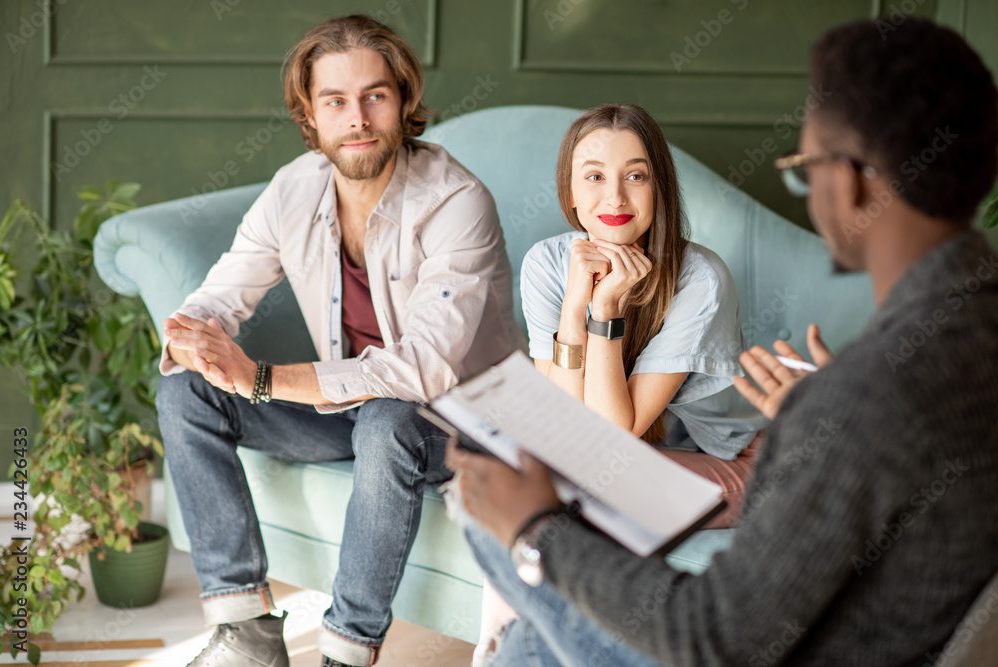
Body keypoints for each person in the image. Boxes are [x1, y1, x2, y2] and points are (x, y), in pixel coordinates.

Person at [448, 16, 998, 666]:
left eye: (804, 170)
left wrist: (538, 530)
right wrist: (812, 420)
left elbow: (713, 639)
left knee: (488, 514)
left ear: (846, 182)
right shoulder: (967, 334)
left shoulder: (866, 390)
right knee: (529, 643)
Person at [155, 14, 520, 667]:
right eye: (336, 101)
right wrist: (191, 333)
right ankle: (246, 632)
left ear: (403, 101)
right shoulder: (293, 190)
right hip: (352, 408)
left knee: (386, 419)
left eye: (375, 95)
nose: (358, 117)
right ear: (310, 116)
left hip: (463, 421)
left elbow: (422, 367)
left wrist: (263, 379)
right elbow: (221, 294)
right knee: (184, 389)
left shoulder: (456, 200)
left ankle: (346, 651)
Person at [473, 103, 768, 662]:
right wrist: (575, 303)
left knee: (567, 489)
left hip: (736, 467)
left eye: (636, 175)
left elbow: (613, 436)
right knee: (520, 473)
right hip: (622, 461)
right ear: (571, 192)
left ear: (659, 189)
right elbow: (559, 426)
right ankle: (500, 643)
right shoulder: (547, 263)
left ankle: (501, 648)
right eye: (594, 177)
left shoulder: (700, 278)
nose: (615, 198)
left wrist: (604, 307)